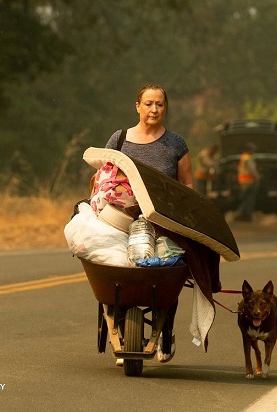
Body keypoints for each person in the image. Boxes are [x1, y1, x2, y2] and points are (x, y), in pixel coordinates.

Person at [104, 84, 193, 364]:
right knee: (118, 271)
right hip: (123, 221)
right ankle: (121, 330)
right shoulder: (119, 140)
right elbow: (104, 179)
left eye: (160, 105)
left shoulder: (175, 143)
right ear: (137, 106)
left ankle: (165, 332)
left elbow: (187, 184)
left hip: (164, 222)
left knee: (170, 271)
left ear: (165, 108)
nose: (154, 109)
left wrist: (186, 215)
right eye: (149, 104)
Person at [235, 142, 260, 222]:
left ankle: (240, 215)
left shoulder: (243, 157)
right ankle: (246, 217)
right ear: (249, 150)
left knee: (245, 199)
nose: (253, 152)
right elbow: (252, 170)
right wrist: (257, 178)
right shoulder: (248, 158)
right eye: (253, 150)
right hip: (249, 182)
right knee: (249, 200)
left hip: (243, 182)